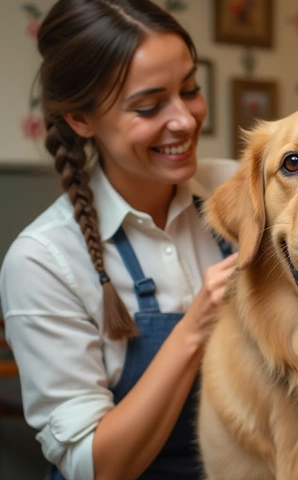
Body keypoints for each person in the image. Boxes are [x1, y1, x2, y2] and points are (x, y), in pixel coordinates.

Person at [0, 1, 239, 479]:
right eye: (149, 106)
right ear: (80, 119)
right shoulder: (43, 260)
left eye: (190, 89)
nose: (187, 121)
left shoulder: (235, 190)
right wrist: (197, 325)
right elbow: (96, 467)